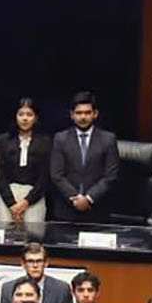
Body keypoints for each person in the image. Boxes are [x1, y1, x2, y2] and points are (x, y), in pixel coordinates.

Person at [48, 90, 118, 222]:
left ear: (95, 114)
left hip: (97, 210)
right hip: (66, 210)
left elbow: (110, 176)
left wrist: (89, 198)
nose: (83, 117)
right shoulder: (60, 138)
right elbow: (56, 175)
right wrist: (75, 198)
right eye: (79, 113)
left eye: (87, 112)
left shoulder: (108, 139)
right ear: (72, 115)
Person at [0, 97, 51, 233]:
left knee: (33, 238)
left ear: (36, 118)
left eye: (29, 115)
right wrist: (11, 203)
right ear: (15, 117)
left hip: (34, 196)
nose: (25, 119)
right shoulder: (3, 140)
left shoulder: (46, 141)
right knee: (6, 237)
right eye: (21, 114)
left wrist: (27, 201)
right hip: (7, 195)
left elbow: (46, 175)